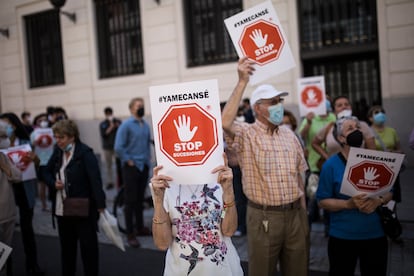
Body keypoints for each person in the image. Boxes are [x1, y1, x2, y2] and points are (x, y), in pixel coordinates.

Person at [221, 57, 309, 276]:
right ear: (258, 108)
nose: (279, 106)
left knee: (298, 271)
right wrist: (242, 81)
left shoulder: (289, 134)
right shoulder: (247, 133)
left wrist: (304, 215)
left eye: (280, 101)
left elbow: (299, 176)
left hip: (295, 214)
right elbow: (224, 123)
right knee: (262, 271)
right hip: (263, 217)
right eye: (273, 102)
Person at [316, 116, 392, 276]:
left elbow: (390, 192)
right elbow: (322, 201)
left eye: (358, 127)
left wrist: (378, 201)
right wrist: (348, 204)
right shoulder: (330, 165)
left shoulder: (377, 160)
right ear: (341, 138)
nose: (357, 130)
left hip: (375, 235)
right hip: (343, 237)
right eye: (350, 128)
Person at [151, 154, 244, 275]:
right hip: (181, 270)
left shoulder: (218, 177)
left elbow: (229, 231)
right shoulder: (164, 184)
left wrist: (228, 191)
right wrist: (158, 200)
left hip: (222, 269)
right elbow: (162, 243)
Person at [42, 120, 106, 276]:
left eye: (61, 137)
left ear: (72, 137)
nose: (58, 141)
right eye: (56, 137)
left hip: (83, 210)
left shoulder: (85, 153)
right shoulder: (58, 152)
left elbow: (95, 181)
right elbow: (44, 172)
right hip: (63, 210)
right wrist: (53, 183)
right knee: (67, 249)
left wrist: (101, 206)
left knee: (88, 250)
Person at [0, 112, 44, 276]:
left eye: (8, 125)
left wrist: (35, 160)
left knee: (27, 230)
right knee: (6, 236)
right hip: (6, 193)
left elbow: (37, 166)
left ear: (15, 125)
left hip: (24, 189)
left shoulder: (25, 142)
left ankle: (32, 264)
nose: (6, 128)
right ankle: (6, 267)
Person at [114, 97, 153, 247]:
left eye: (142, 106)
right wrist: (128, 160)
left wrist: (148, 159)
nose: (141, 108)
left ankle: (140, 227)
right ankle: (130, 234)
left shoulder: (145, 125)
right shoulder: (126, 125)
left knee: (139, 200)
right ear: (131, 109)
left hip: (143, 166)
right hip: (131, 167)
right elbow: (118, 147)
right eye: (138, 106)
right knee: (130, 202)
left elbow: (146, 143)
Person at [298, 101, 336, 227]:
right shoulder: (311, 117)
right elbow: (301, 135)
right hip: (314, 165)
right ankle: (306, 230)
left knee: (330, 198)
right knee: (312, 199)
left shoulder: (334, 118)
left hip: (332, 165)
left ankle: (329, 229)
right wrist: (308, 122)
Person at [0, 121, 22, 276]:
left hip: (7, 214)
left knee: (3, 256)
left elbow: (18, 176)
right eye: (2, 136)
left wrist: (5, 167)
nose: (5, 139)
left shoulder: (3, 156)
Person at [30, 113, 55, 211]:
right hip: (39, 162)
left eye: (44, 120)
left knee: (52, 184)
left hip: (51, 160)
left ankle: (54, 203)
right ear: (37, 122)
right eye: (40, 120)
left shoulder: (52, 131)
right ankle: (44, 205)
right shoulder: (34, 133)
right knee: (42, 185)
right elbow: (31, 146)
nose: (43, 122)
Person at [99, 107, 122, 190]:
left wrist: (116, 125)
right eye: (107, 114)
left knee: (119, 164)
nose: (109, 116)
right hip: (107, 148)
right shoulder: (103, 124)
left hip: (117, 147)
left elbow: (122, 131)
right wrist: (111, 127)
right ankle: (110, 182)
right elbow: (103, 135)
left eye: (110, 114)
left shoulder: (117, 121)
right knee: (109, 165)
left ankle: (120, 181)